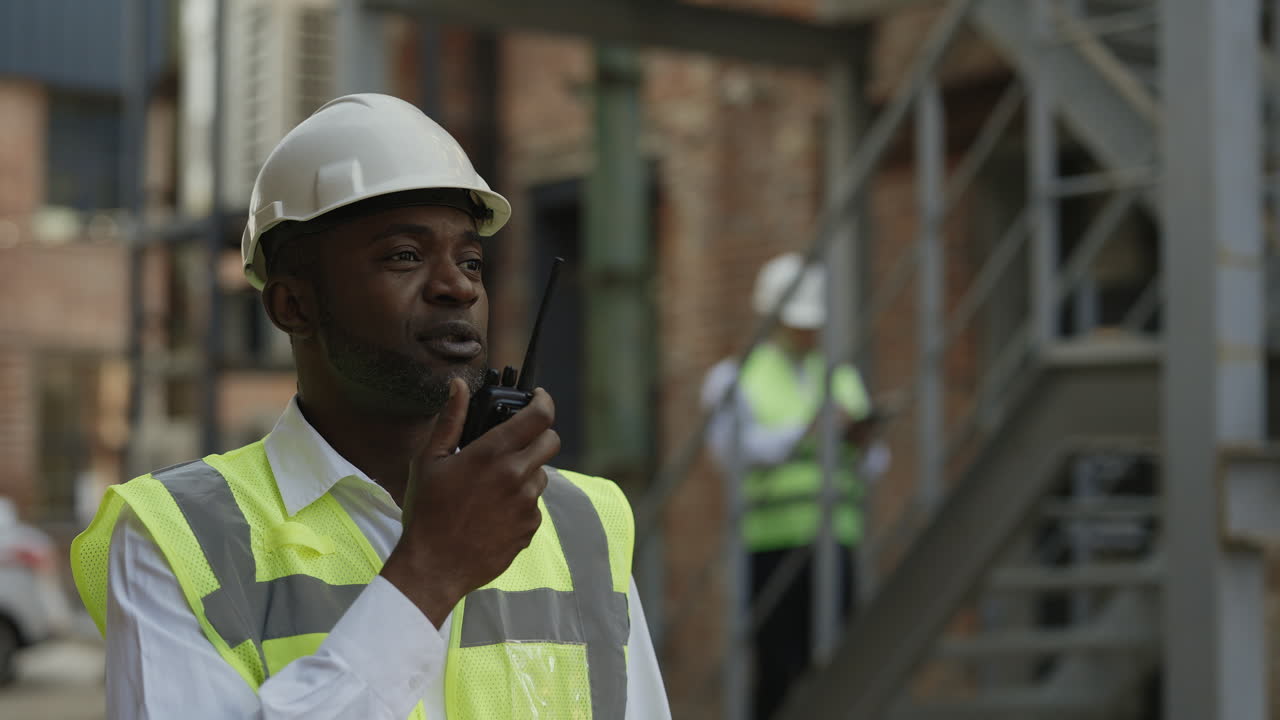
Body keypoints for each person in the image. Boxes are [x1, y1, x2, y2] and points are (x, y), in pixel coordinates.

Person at [71, 93, 670, 720]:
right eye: (404, 256)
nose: (458, 286)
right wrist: (429, 574)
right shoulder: (176, 539)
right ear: (293, 306)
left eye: (471, 260)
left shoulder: (582, 523)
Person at [700, 252, 888, 720]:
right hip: (771, 545)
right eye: (796, 322)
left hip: (835, 540)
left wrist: (860, 442)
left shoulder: (840, 376)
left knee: (841, 667)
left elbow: (877, 464)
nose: (807, 332)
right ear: (771, 318)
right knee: (778, 671)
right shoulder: (735, 378)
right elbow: (731, 453)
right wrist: (809, 431)